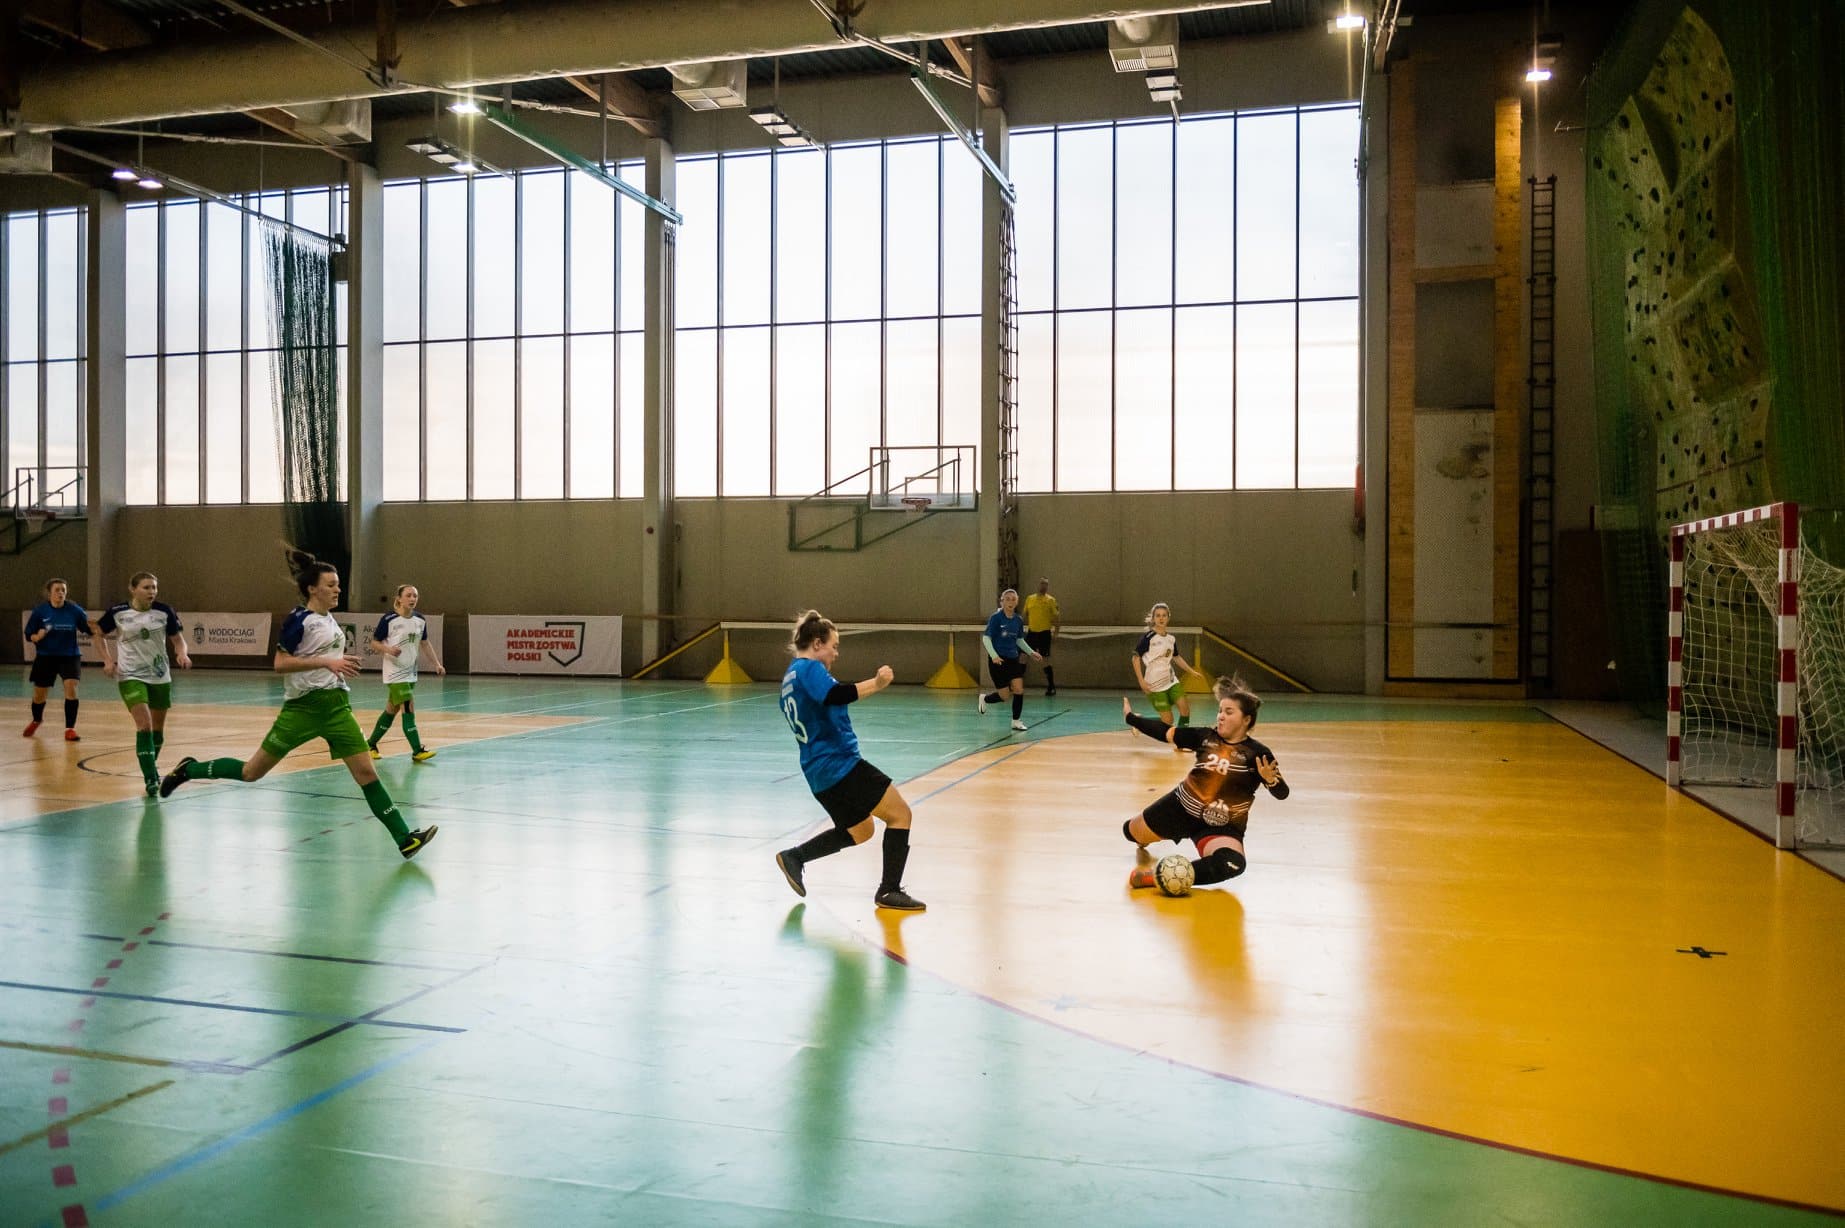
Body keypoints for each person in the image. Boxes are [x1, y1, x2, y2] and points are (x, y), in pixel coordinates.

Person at [159, 545, 438, 861]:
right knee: (251, 772)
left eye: (338, 584)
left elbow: (322, 657)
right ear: (312, 589)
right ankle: (189, 769)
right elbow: (280, 663)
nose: (338, 590)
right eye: (331, 585)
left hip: (337, 707)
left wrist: (335, 663)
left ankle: (404, 838)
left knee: (367, 774)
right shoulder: (299, 619)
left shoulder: (330, 620)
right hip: (302, 709)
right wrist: (327, 662)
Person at [774, 610, 925, 912]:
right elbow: (836, 695)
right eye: (833, 646)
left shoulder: (790, 677)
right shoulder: (809, 668)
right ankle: (889, 890)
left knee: (861, 829)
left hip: (818, 774)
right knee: (900, 815)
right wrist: (877, 683)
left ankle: (795, 857)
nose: (835, 653)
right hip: (840, 766)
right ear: (817, 644)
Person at [1119, 676, 1288, 890]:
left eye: (1229, 712)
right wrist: (1131, 719)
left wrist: (1271, 781)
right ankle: (1147, 837)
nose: (1221, 716)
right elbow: (1165, 732)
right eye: (1220, 711)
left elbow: (1282, 793)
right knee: (1129, 831)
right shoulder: (1205, 736)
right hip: (1179, 808)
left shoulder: (1258, 754)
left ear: (1246, 719)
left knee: (1233, 863)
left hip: (1221, 824)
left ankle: (1161, 876)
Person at [95, 572, 192, 795]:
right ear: (133, 589)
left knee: (157, 730)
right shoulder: (118, 612)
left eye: (154, 587)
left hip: (159, 675)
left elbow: (178, 640)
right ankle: (151, 778)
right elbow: (98, 633)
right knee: (145, 725)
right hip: (130, 676)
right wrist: (107, 660)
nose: (152, 592)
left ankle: (149, 764)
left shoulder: (164, 611)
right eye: (146, 587)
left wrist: (182, 653)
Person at [367, 584, 445, 762]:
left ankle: (370, 744)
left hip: (410, 672)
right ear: (399, 599)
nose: (412, 599)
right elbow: (374, 643)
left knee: (391, 711)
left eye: (415, 596)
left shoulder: (420, 620)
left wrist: (436, 664)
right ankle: (417, 750)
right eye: (408, 595)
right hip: (395, 673)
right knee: (408, 708)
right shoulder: (389, 619)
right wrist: (388, 649)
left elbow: (425, 643)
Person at [23, 578, 90, 742]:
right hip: (46, 656)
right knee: (39, 694)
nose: (61, 593)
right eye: (57, 590)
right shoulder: (40, 612)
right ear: (49, 593)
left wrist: (101, 628)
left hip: (70, 656)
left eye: (63, 590)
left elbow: (89, 629)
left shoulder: (75, 611)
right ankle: (37, 719)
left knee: (71, 687)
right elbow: (29, 634)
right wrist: (37, 637)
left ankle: (70, 729)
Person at [1131, 602, 1207, 735]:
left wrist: (1191, 671)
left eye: (1164, 615)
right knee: (1168, 721)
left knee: (1185, 709)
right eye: (1158, 615)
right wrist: (1141, 681)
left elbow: (1176, 657)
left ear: (1168, 617)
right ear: (1153, 618)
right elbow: (1135, 658)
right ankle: (1138, 721)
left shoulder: (1171, 639)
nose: (1161, 618)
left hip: (1171, 681)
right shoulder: (1148, 638)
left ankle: (1182, 738)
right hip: (1154, 684)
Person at [978, 588, 1044, 733]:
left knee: (1019, 689)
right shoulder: (996, 618)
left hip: (1013, 659)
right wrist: (994, 655)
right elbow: (986, 638)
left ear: (1017, 602)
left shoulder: (1018, 620)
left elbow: (1019, 640)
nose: (1010, 602)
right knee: (1005, 696)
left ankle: (1016, 721)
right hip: (998, 661)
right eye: (1007, 599)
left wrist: (1031, 652)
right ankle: (985, 698)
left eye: (1013, 599)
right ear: (1002, 601)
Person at [1022, 577, 1061, 697]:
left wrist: (1056, 632)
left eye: (1046, 584)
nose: (1043, 586)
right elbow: (1024, 615)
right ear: (1038, 584)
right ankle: (1016, 683)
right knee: (1023, 656)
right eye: (1042, 583)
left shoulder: (1051, 600)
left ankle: (1051, 686)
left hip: (1044, 633)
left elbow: (1056, 618)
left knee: (1045, 659)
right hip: (1032, 633)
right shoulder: (1030, 599)